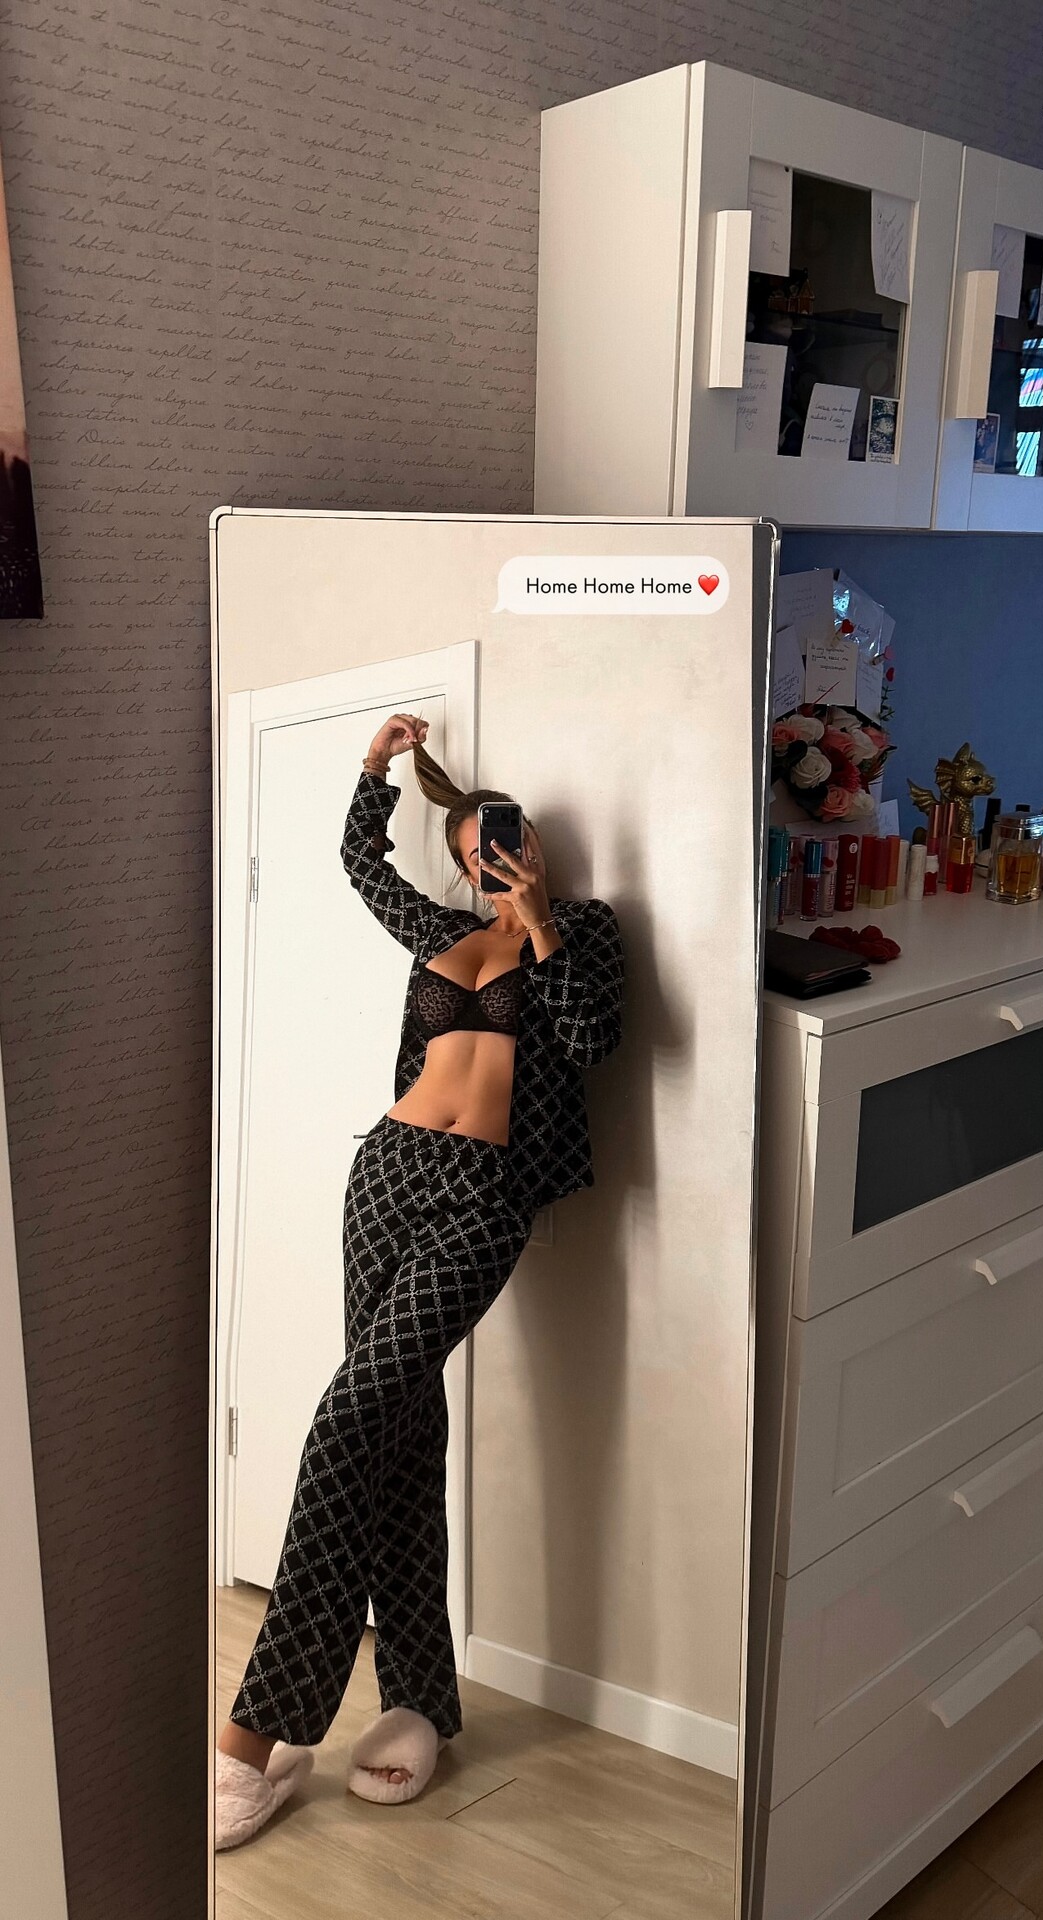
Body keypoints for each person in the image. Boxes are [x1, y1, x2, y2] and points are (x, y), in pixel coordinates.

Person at [215, 712, 624, 1850]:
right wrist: (375, 767)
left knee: (351, 1412)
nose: (494, 858)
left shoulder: (586, 930)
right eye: (474, 849)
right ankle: (420, 1701)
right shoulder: (441, 932)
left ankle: (256, 1733)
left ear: (533, 843)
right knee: (399, 1431)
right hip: (387, 1176)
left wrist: (543, 923)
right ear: (460, 864)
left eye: (508, 838)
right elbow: (360, 863)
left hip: (483, 1197)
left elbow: (593, 1041)